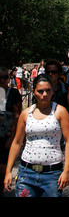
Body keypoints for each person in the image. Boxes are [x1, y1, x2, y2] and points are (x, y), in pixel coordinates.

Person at [4, 74, 69, 197]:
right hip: (27, 173)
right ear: (34, 92)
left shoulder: (60, 112)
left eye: (48, 90)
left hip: (52, 174)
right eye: (40, 91)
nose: (44, 94)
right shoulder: (26, 114)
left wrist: (67, 171)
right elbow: (17, 142)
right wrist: (8, 171)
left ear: (53, 91)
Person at [0, 67, 22, 197]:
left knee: (2, 167)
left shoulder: (13, 93)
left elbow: (17, 116)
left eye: (4, 77)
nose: (2, 80)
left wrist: (12, 137)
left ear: (8, 79)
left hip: (6, 136)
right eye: (0, 78)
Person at [45, 59, 69, 143]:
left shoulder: (66, 88)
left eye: (53, 72)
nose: (50, 74)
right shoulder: (42, 90)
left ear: (59, 74)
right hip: (46, 127)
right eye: (48, 72)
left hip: (62, 127)